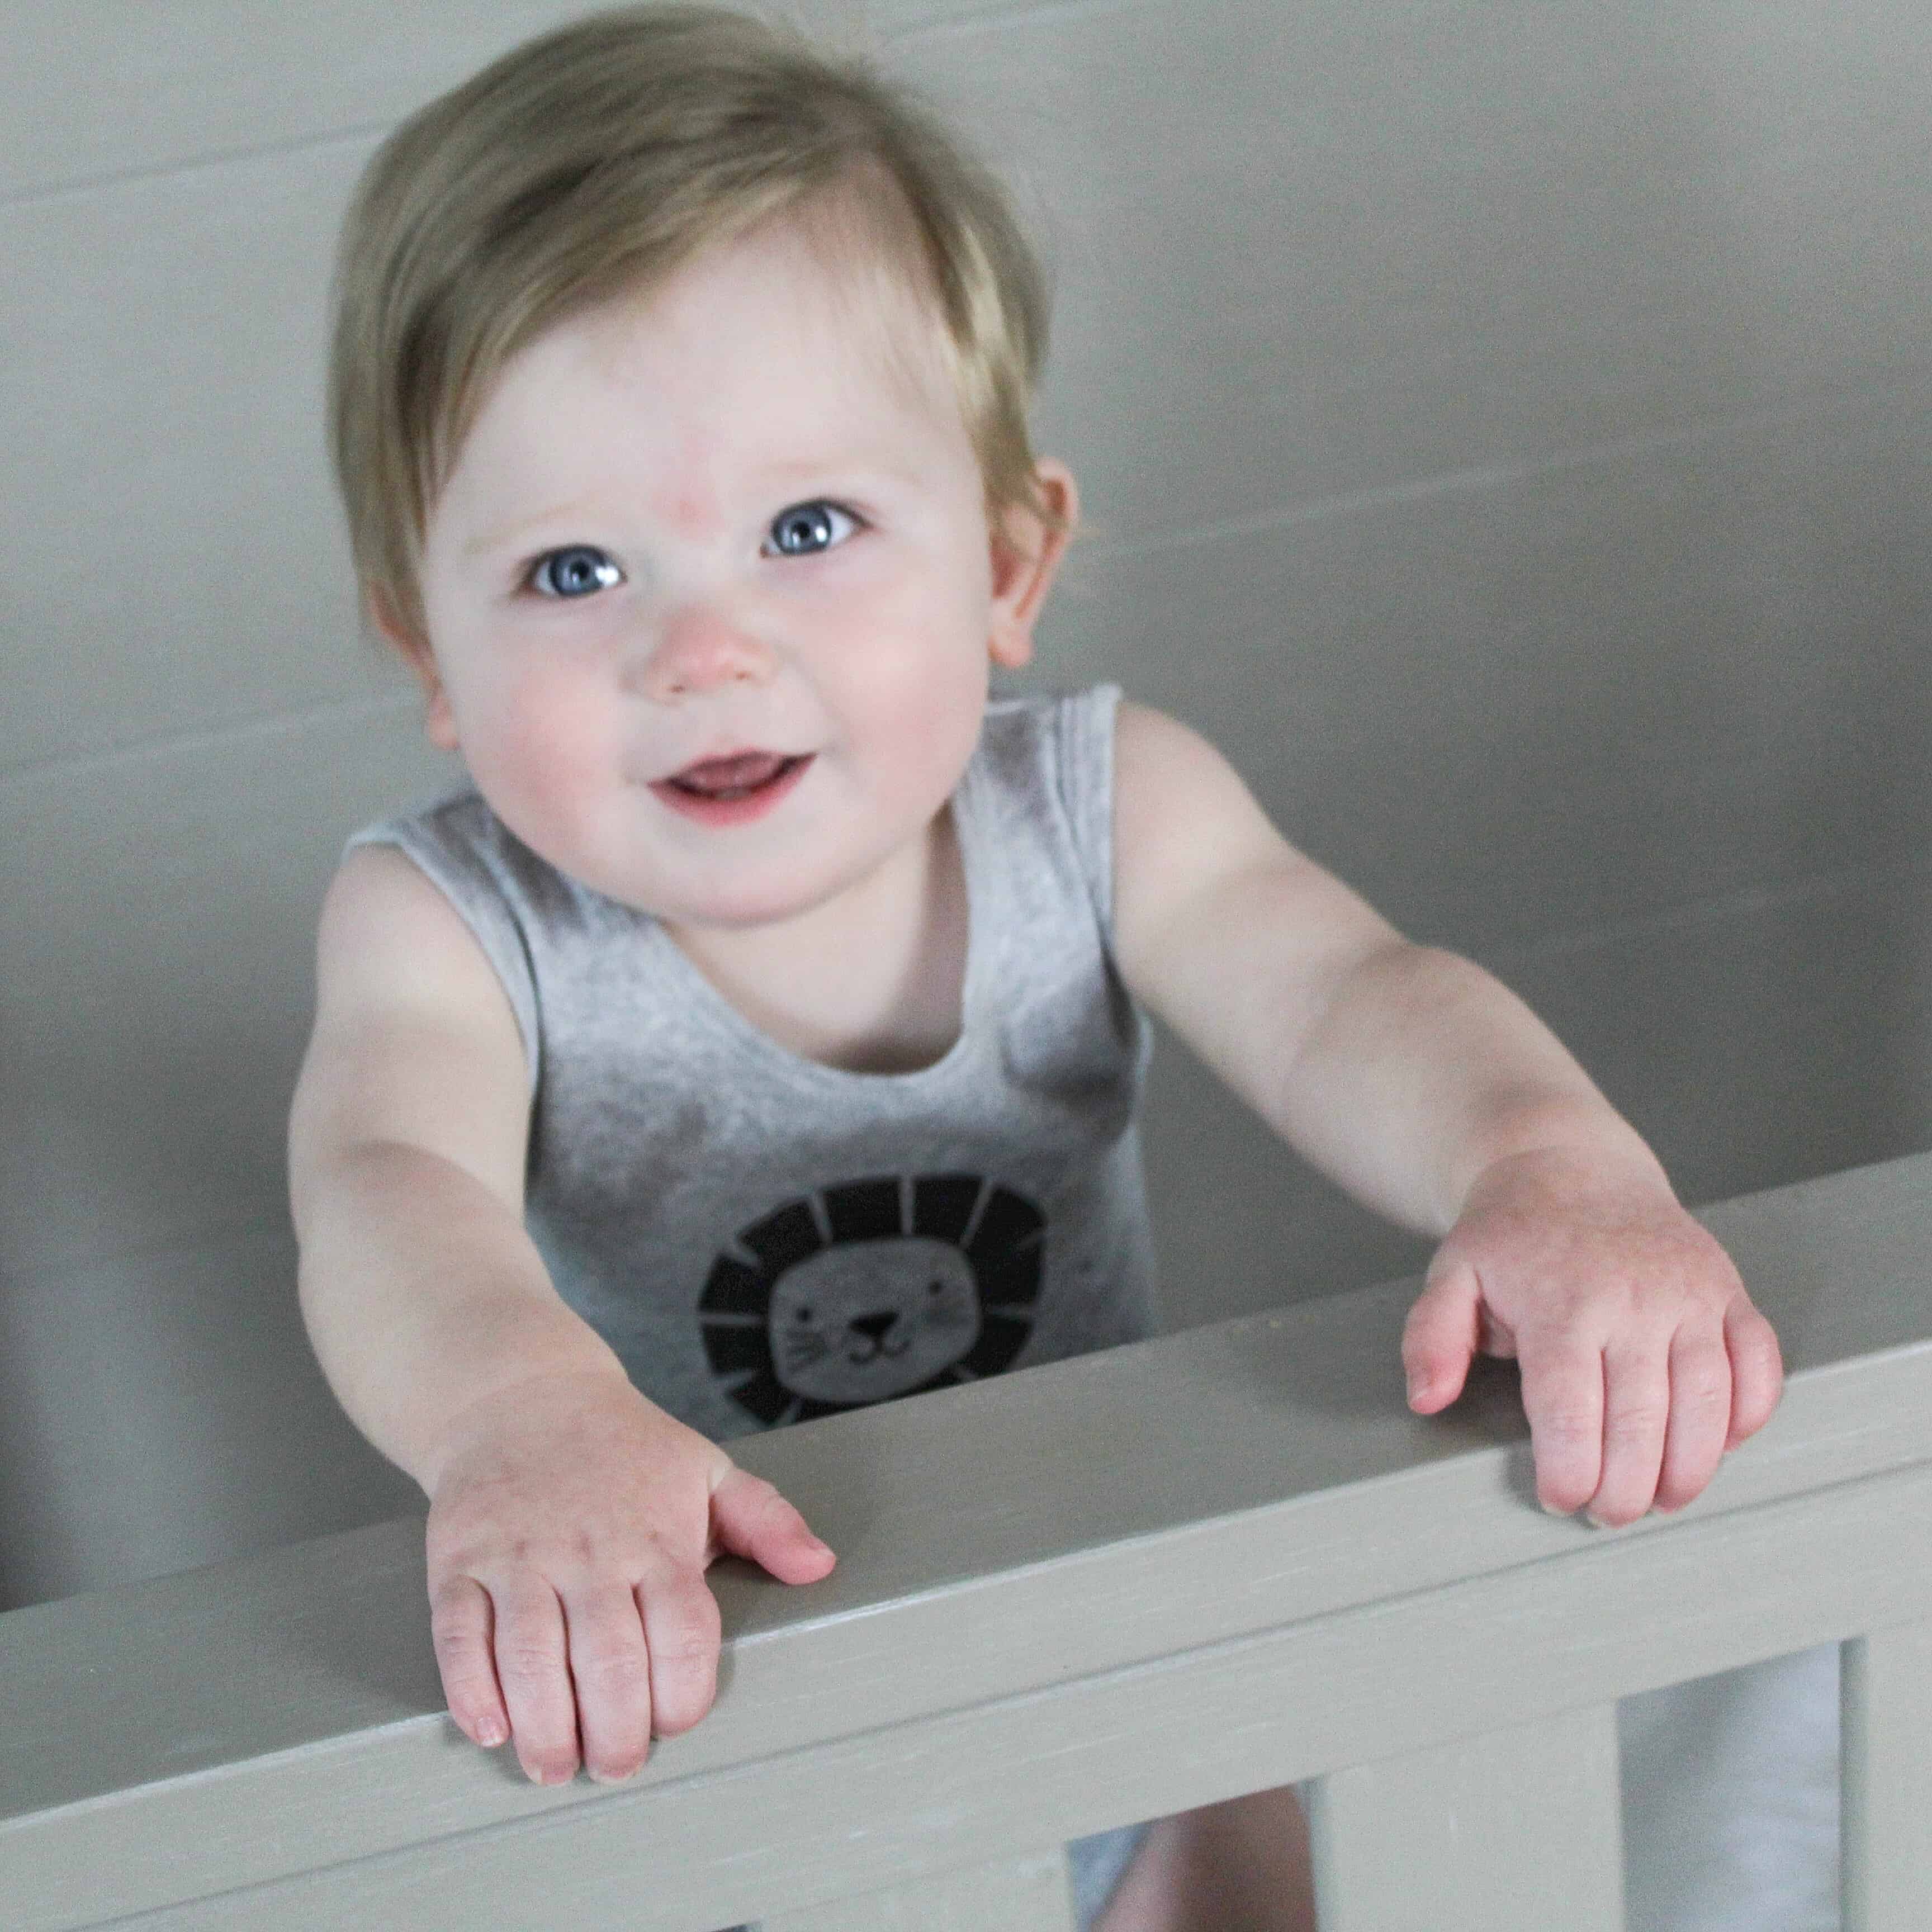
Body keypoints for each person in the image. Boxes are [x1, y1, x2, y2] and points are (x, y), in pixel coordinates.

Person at [288, 8, 1784, 1928]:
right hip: (713, 1695)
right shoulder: (448, 925)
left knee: (1260, 1848)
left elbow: (1350, 994)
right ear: (428, 648)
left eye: (808, 528)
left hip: (1107, 1654)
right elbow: (385, 1190)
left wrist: (1545, 1170)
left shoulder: (1099, 807)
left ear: (1007, 558)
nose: (702, 652)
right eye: (572, 574)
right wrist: (511, 1417)